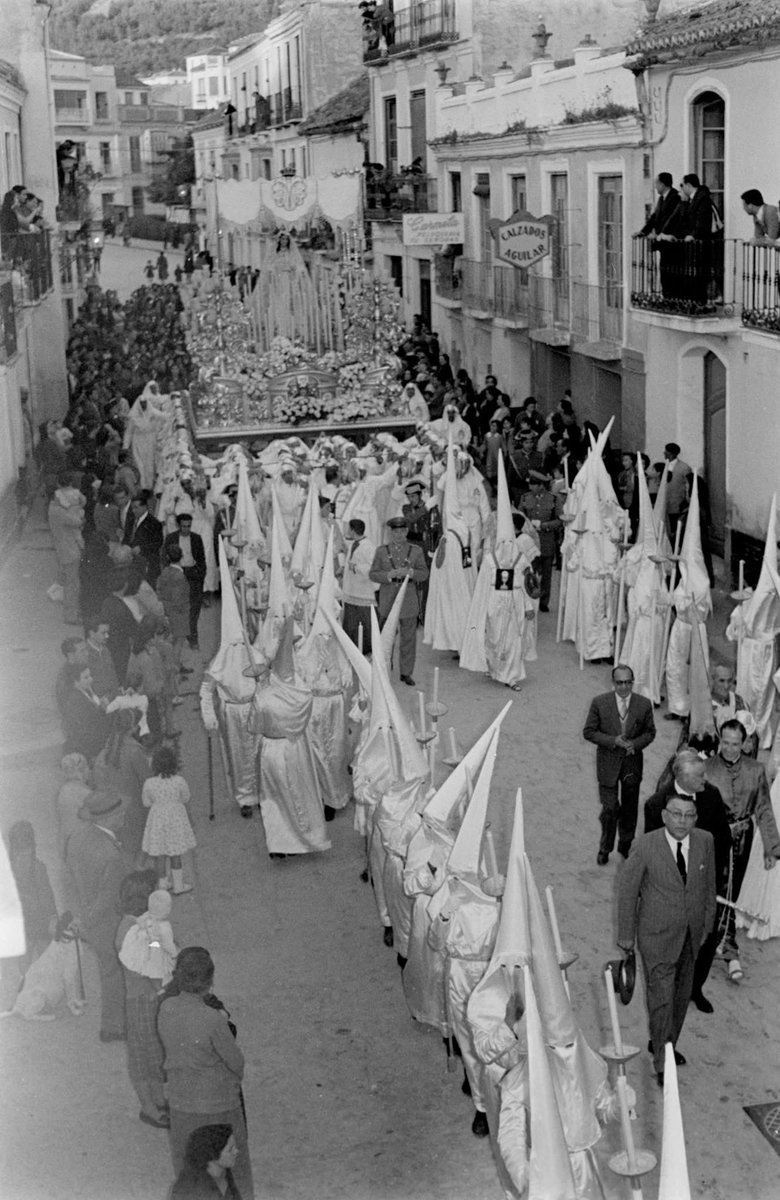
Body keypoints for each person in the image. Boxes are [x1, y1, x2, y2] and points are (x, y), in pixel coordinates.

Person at [617, 792, 716, 1085]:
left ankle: (665, 1041)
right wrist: (626, 936)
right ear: (664, 816)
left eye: (689, 815)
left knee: (681, 996)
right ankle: (663, 1062)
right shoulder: (645, 846)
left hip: (691, 936)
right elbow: (628, 892)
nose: (682, 821)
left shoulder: (705, 841)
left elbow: (709, 887)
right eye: (676, 814)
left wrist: (706, 927)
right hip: (656, 937)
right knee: (661, 999)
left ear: (695, 818)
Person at [157, 948, 253, 1199]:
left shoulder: (166, 1008)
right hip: (218, 1104)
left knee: (190, 1169)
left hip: (181, 1102)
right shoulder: (213, 1019)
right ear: (210, 980)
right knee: (234, 1170)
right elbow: (236, 1062)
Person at [644, 749, 732, 1014]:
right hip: (673, 890)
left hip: (706, 884)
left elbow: (723, 839)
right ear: (681, 777)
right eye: (700, 776)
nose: (706, 779)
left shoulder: (712, 795)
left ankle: (695, 988)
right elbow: (653, 852)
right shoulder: (656, 805)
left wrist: (710, 874)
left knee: (706, 937)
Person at [704, 719, 780, 982]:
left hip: (743, 839)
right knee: (713, 889)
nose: (729, 749)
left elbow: (764, 809)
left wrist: (772, 849)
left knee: (731, 891)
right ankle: (715, 943)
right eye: (725, 743)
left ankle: (726, 944)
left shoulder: (756, 770)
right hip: (713, 838)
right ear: (719, 739)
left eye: (735, 744)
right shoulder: (706, 768)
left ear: (745, 743)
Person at [65, 788, 133, 1042]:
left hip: (87, 915)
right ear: (107, 818)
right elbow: (108, 898)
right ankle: (114, 1026)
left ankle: (113, 1023)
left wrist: (78, 916)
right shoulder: (111, 855)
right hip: (107, 924)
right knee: (114, 973)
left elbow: (69, 879)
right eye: (120, 813)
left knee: (108, 970)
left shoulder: (77, 838)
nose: (124, 816)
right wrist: (88, 921)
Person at [583, 665, 656, 864]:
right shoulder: (600, 703)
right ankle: (605, 847)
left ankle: (625, 844)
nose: (623, 687)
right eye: (619, 683)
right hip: (608, 764)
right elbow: (589, 732)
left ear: (633, 682)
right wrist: (612, 741)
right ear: (613, 683)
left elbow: (650, 732)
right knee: (610, 809)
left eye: (627, 682)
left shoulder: (643, 704)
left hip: (632, 764)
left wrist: (635, 744)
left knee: (630, 808)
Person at [115, 870, 169, 1129]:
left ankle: (158, 1099)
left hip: (147, 998)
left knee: (154, 1052)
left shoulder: (138, 924)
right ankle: (149, 1107)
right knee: (144, 1056)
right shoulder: (129, 930)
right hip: (143, 1000)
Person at [369, 516, 429, 686]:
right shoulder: (381, 551)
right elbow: (373, 574)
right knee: (386, 635)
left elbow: (424, 574)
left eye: (402, 531)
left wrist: (410, 572)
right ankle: (384, 666)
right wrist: (388, 575)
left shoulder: (416, 551)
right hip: (388, 596)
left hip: (408, 597)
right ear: (391, 532)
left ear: (407, 531)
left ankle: (406, 672)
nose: (399, 535)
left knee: (408, 638)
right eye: (395, 532)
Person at [93, 709, 151, 858]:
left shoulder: (104, 752)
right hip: (134, 809)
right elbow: (147, 781)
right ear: (133, 728)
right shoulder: (134, 751)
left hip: (112, 810)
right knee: (137, 848)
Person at [141, 745, 196, 895]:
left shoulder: (149, 783)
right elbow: (186, 797)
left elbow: (146, 802)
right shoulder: (179, 781)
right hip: (175, 819)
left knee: (160, 854)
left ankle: (163, 884)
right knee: (175, 853)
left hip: (157, 820)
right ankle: (178, 885)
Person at [6, 821, 57, 970]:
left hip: (37, 925)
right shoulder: (10, 871)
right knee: (33, 966)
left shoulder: (37, 868)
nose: (24, 856)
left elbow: (47, 895)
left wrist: (52, 917)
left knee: (42, 965)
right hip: (28, 927)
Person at [163, 512, 206, 649]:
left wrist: (200, 576)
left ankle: (193, 637)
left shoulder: (196, 538)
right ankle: (177, 635)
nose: (186, 529)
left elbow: (202, 559)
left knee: (194, 608)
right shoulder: (171, 538)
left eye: (189, 526)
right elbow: (164, 558)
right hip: (177, 574)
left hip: (192, 574)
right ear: (178, 526)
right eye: (184, 526)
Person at [519, 472, 560, 612]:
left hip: (546, 540)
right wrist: (528, 525)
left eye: (533, 484)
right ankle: (529, 598)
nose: (530, 487)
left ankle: (544, 601)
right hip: (530, 542)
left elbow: (560, 520)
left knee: (546, 574)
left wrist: (545, 525)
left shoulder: (553, 499)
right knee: (529, 571)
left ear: (541, 485)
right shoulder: (525, 498)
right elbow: (519, 517)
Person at [49, 472, 86, 624]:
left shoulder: (54, 509)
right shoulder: (60, 513)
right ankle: (71, 615)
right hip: (70, 551)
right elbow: (78, 521)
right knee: (72, 585)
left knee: (69, 581)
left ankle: (72, 611)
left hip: (64, 550)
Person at [171, 1125, 242, 1200]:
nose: (236, 1151)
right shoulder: (188, 1187)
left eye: (235, 1147)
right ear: (213, 1154)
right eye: (230, 1149)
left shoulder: (226, 1175)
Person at [340, 518, 378, 656]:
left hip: (363, 591)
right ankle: (351, 650)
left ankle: (366, 650)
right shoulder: (353, 544)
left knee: (364, 622)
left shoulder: (368, 546)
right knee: (350, 623)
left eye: (349, 528)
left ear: (353, 530)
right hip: (351, 589)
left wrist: (356, 567)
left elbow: (372, 567)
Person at [61, 662, 111, 763]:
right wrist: (102, 709)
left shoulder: (86, 691)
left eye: (90, 675)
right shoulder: (76, 700)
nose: (91, 679)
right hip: (89, 747)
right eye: (86, 677)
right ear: (75, 681)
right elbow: (86, 726)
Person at [157, 544, 190, 678]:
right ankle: (175, 670)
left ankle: (177, 665)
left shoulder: (165, 572)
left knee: (172, 640)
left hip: (167, 610)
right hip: (179, 612)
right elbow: (178, 598)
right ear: (181, 557)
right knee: (179, 642)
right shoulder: (179, 575)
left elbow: (160, 591)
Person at [127, 490, 163, 586]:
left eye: (136, 507)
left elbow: (158, 543)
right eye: (132, 508)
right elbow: (128, 537)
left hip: (149, 563)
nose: (133, 510)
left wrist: (141, 548)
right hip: (134, 562)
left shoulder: (154, 523)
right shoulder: (131, 521)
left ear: (144, 507)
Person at [662, 442, 691, 542]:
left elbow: (687, 485)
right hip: (665, 502)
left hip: (677, 502)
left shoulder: (684, 467)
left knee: (675, 527)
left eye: (666, 451)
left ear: (671, 453)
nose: (664, 453)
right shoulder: (664, 466)